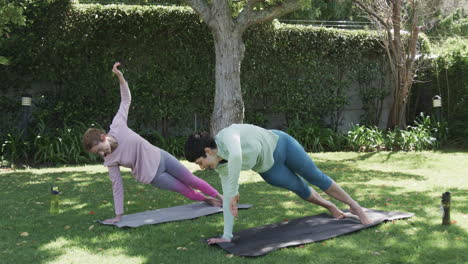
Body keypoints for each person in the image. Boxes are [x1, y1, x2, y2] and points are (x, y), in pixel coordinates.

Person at [82, 62, 222, 224]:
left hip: (161, 156)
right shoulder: (110, 160)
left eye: (100, 149)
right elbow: (117, 186)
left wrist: (120, 77)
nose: (102, 153)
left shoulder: (117, 126)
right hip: (153, 175)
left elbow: (126, 100)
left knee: (192, 180)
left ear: (102, 137)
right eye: (97, 153)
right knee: (185, 190)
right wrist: (118, 215)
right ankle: (207, 200)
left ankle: (220, 196)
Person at [184, 124, 372, 244]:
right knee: (300, 188)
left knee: (316, 176)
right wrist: (226, 236)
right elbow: (228, 201)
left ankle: (355, 207)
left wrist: (233, 191)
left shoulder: (227, 135)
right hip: (269, 169)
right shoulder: (221, 167)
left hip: (282, 145)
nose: (202, 168)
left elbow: (237, 156)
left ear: (208, 151)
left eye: (201, 162)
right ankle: (330, 206)